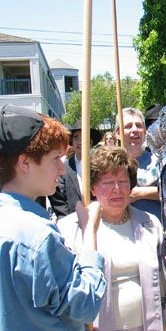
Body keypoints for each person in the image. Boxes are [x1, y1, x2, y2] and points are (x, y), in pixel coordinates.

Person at [57, 146, 166, 330]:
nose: (117, 189)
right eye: (107, 182)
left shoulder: (149, 223)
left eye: (123, 181)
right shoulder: (71, 229)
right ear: (92, 189)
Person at [0, 104, 106, 330]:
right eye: (55, 158)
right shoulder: (37, 236)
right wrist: (89, 231)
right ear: (25, 163)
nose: (61, 169)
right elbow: (85, 304)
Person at [49, 119, 102, 218]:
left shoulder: (101, 166)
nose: (80, 142)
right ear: (72, 142)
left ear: (90, 142)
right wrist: (68, 222)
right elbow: (59, 199)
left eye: (84, 137)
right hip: (72, 222)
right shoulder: (63, 167)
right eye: (76, 138)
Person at [115, 107, 161, 220]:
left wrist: (140, 193)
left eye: (139, 125)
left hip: (157, 231)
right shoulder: (112, 164)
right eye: (128, 126)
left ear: (145, 131)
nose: (135, 129)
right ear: (117, 133)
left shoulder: (159, 160)